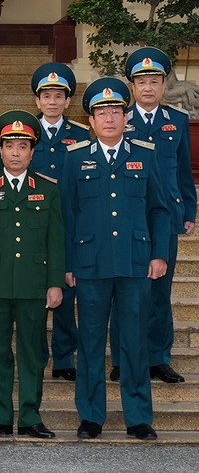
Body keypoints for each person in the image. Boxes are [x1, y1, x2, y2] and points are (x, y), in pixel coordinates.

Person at [61, 77, 170, 441]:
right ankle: (91, 416)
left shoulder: (146, 154)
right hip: (90, 264)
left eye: (115, 112)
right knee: (90, 342)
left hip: (135, 263)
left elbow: (160, 209)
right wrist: (68, 264)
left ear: (126, 118)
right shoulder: (75, 157)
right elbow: (67, 214)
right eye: (101, 113)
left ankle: (137, 417)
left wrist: (159, 254)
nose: (109, 118)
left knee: (134, 343)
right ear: (90, 121)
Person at [0, 110, 64, 440]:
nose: (15, 153)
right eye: (9, 146)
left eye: (23, 147)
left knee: (32, 353)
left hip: (34, 285)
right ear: (0, 150)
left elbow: (55, 240)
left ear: (32, 152)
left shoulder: (48, 189)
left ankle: (30, 416)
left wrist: (55, 282)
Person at [109, 47, 196, 384]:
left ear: (163, 85)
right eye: (142, 81)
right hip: (127, 218)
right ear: (132, 86)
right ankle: (122, 359)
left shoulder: (177, 121)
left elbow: (184, 171)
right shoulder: (117, 119)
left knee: (159, 292)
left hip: (166, 218)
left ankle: (159, 358)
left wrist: (189, 210)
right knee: (123, 291)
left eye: (154, 81)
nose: (148, 87)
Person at [28, 62, 89, 382]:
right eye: (46, 96)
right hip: (30, 226)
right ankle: (36, 357)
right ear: (37, 100)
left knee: (66, 294)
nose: (52, 102)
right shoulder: (24, 132)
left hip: (68, 226)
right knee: (34, 297)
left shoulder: (81, 135)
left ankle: (64, 358)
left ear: (68, 101)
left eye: (58, 96)